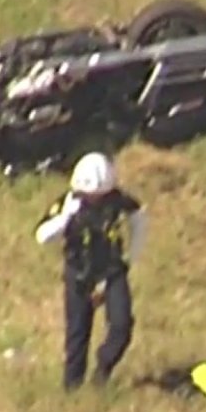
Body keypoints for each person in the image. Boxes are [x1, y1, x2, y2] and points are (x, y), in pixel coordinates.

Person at [34, 152, 147, 392]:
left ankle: (102, 370)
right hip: (78, 274)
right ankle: (72, 390)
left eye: (100, 196)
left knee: (121, 326)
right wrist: (67, 217)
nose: (95, 200)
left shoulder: (116, 200)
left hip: (111, 272)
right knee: (77, 336)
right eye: (90, 196)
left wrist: (131, 256)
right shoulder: (67, 203)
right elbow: (42, 236)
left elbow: (138, 215)